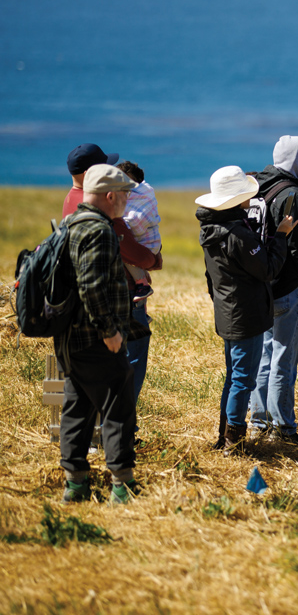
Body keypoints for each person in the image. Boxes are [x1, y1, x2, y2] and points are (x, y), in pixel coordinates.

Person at [57, 164, 151, 505]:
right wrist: (110, 331)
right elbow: (92, 286)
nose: (128, 199)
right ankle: (122, 488)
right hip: (95, 337)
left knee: (77, 407)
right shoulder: (99, 231)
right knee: (118, 405)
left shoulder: (71, 224)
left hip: (70, 338)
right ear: (111, 196)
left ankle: (76, 484)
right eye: (125, 194)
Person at [63, 144, 162, 435]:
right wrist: (152, 259)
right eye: (104, 167)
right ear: (89, 173)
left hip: (84, 307)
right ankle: (118, 432)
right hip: (122, 302)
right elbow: (135, 251)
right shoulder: (103, 209)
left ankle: (101, 432)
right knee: (129, 367)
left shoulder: (72, 200)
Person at [196, 166, 295, 453]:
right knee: (243, 379)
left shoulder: (212, 230)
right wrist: (281, 236)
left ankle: (224, 435)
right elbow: (268, 269)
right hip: (246, 315)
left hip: (228, 313)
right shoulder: (238, 234)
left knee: (234, 376)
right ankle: (233, 442)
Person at [250, 135, 298, 447]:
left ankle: (257, 422)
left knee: (264, 357)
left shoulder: (257, 186)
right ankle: (284, 427)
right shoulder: (294, 194)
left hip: (261, 286)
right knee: (285, 360)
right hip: (290, 289)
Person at [116, 160, 160, 303]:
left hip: (147, 244)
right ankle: (143, 313)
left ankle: (142, 283)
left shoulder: (141, 194)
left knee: (124, 249)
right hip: (149, 245)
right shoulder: (135, 192)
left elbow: (136, 222)